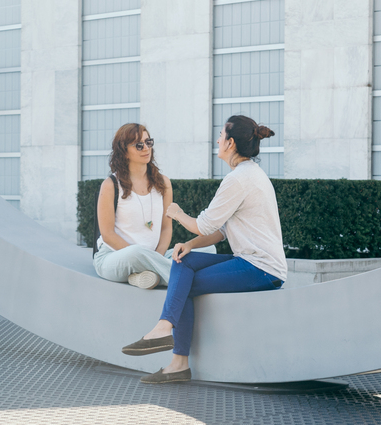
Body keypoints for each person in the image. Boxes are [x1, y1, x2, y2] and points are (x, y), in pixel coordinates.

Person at [121, 115, 285, 384]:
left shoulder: (239, 179)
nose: (218, 140)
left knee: (183, 282)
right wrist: (189, 244)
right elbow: (219, 231)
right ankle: (170, 343)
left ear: (230, 143)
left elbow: (204, 225)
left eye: (221, 136)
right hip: (248, 260)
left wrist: (176, 213)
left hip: (262, 268)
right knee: (182, 262)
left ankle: (173, 352)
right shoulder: (247, 175)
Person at [93, 124, 174, 289]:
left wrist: (155, 258)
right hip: (116, 257)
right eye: (139, 145)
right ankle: (187, 280)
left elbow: (166, 228)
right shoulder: (110, 185)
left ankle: (140, 277)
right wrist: (145, 258)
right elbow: (107, 235)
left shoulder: (164, 183)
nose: (146, 148)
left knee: (206, 250)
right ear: (124, 151)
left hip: (154, 255)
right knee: (136, 253)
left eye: (148, 142)